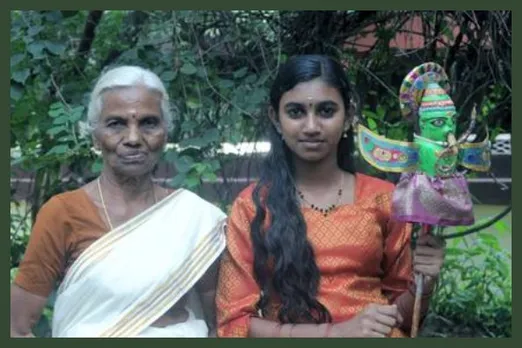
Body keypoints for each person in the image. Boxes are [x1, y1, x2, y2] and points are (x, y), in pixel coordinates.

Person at [215, 55, 445, 338]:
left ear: (348, 116)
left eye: (326, 111)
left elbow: (403, 319)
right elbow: (233, 323)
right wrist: (334, 333)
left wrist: (425, 283)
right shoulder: (252, 206)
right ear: (276, 118)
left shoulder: (384, 199)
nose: (311, 126)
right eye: (296, 112)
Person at [10, 66, 227, 338]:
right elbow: (15, 328)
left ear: (165, 134)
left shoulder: (194, 218)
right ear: (95, 136)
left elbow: (222, 324)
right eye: (116, 124)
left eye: (149, 123)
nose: (133, 139)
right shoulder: (62, 213)